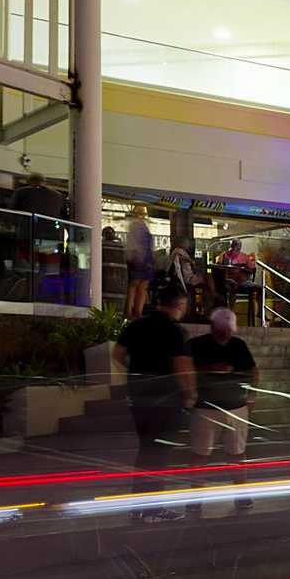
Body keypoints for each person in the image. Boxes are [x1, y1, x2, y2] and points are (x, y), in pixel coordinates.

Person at [111, 283, 196, 516]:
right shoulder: (175, 331)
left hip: (139, 396)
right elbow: (181, 366)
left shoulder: (137, 326)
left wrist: (136, 371)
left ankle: (139, 505)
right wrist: (190, 394)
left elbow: (117, 354)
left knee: (146, 450)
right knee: (159, 455)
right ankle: (152, 507)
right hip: (166, 399)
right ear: (179, 305)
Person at [188, 308, 258, 483]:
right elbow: (185, 371)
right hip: (206, 408)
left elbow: (253, 370)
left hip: (236, 406)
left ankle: (241, 493)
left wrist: (252, 395)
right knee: (200, 454)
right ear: (212, 327)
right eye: (222, 330)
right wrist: (210, 369)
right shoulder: (196, 345)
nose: (226, 333)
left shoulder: (238, 345)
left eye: (229, 329)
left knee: (237, 453)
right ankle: (195, 499)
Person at [122, 206, 156, 318]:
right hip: (139, 259)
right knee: (135, 285)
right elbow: (132, 244)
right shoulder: (136, 226)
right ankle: (130, 312)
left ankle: (137, 312)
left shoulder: (142, 226)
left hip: (145, 260)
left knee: (141, 286)